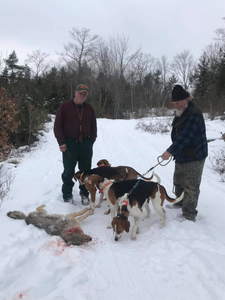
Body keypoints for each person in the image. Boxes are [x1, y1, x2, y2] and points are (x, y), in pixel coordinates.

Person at [161, 85, 208, 222]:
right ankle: (180, 202)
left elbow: (185, 137)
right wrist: (174, 150)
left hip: (195, 155)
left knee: (191, 186)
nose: (176, 105)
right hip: (182, 154)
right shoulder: (182, 111)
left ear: (187, 99)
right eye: (174, 103)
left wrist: (170, 151)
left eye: (179, 102)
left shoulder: (194, 113)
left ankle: (189, 214)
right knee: (179, 181)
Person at [54, 84, 97, 205]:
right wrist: (61, 142)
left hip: (85, 144)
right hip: (69, 143)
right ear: (75, 93)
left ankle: (84, 193)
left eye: (85, 94)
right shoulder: (65, 106)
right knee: (68, 170)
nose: (83, 96)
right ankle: (67, 194)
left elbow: (94, 125)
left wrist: (92, 140)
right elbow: (57, 125)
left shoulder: (89, 108)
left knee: (86, 171)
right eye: (80, 93)